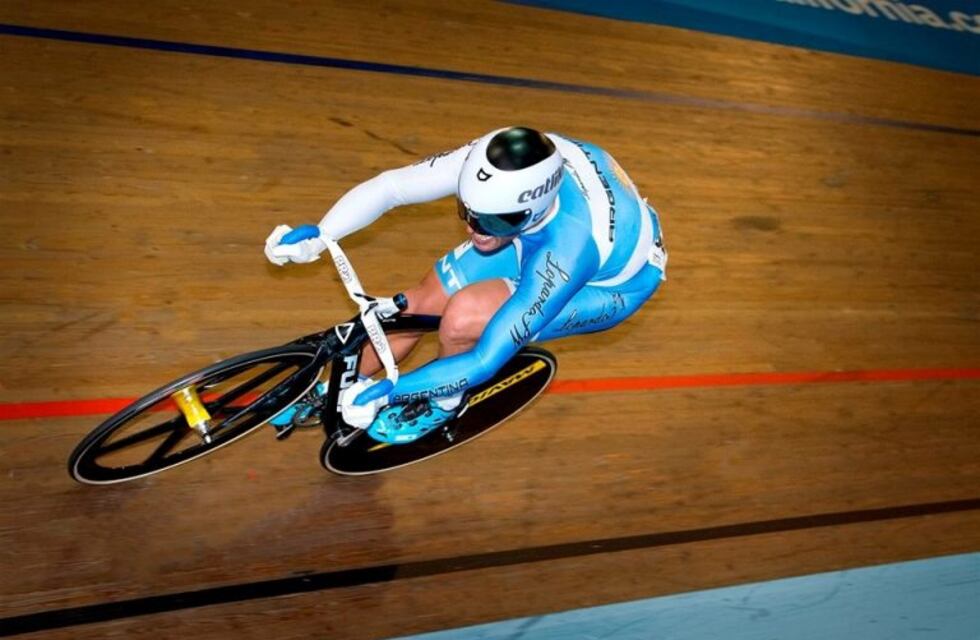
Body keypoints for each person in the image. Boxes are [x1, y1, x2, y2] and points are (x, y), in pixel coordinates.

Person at [265, 126, 667, 444]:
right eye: (468, 212)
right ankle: (337, 389)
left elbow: (484, 360)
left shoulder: (568, 251)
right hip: (549, 230)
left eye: (490, 222)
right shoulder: (492, 163)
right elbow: (392, 188)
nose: (474, 230)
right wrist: (323, 233)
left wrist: (393, 392)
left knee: (462, 320)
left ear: (531, 210)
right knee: (414, 308)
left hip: (609, 281)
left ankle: (444, 402)